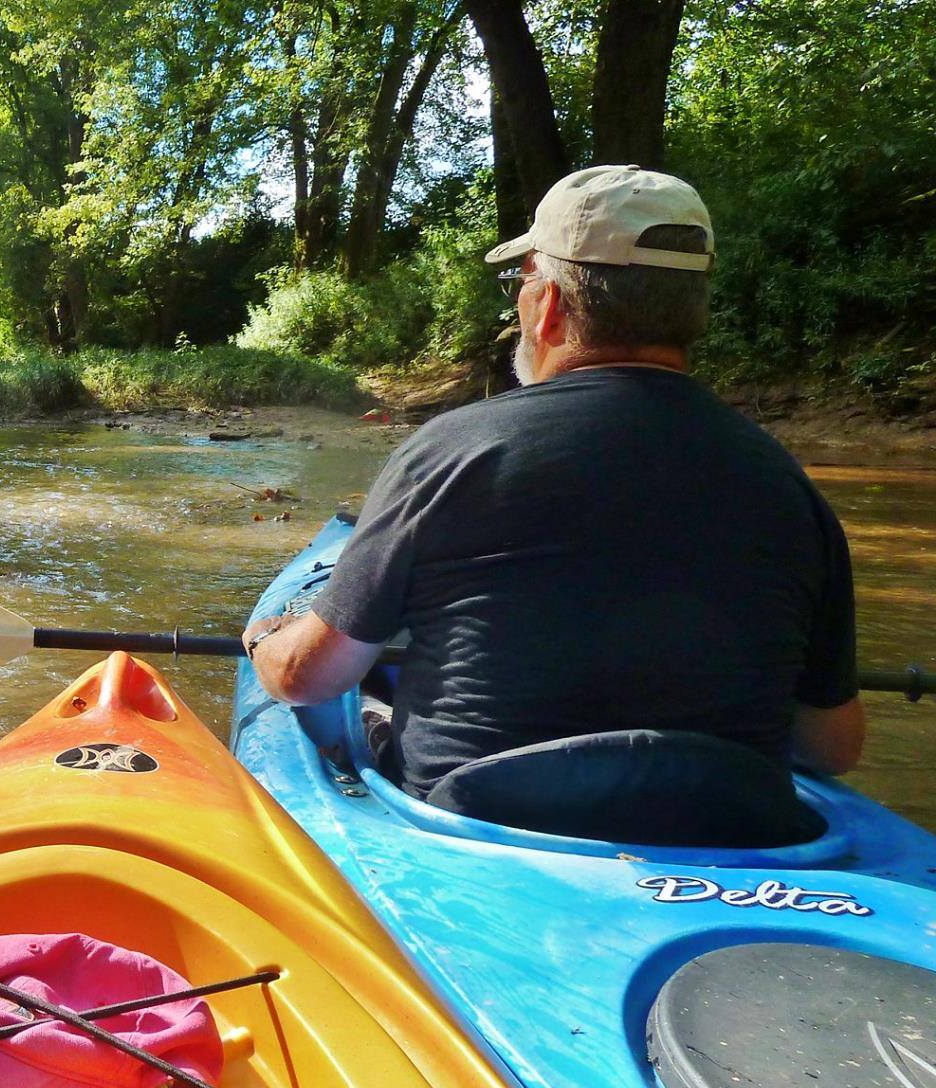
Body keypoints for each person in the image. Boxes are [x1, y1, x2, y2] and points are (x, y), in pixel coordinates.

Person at [243, 165, 864, 815]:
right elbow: (833, 745)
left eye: (523, 281)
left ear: (550, 306)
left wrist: (265, 641)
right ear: (692, 313)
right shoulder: (786, 483)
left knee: (361, 699)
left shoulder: (452, 453)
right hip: (732, 823)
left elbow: (307, 677)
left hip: (476, 821)